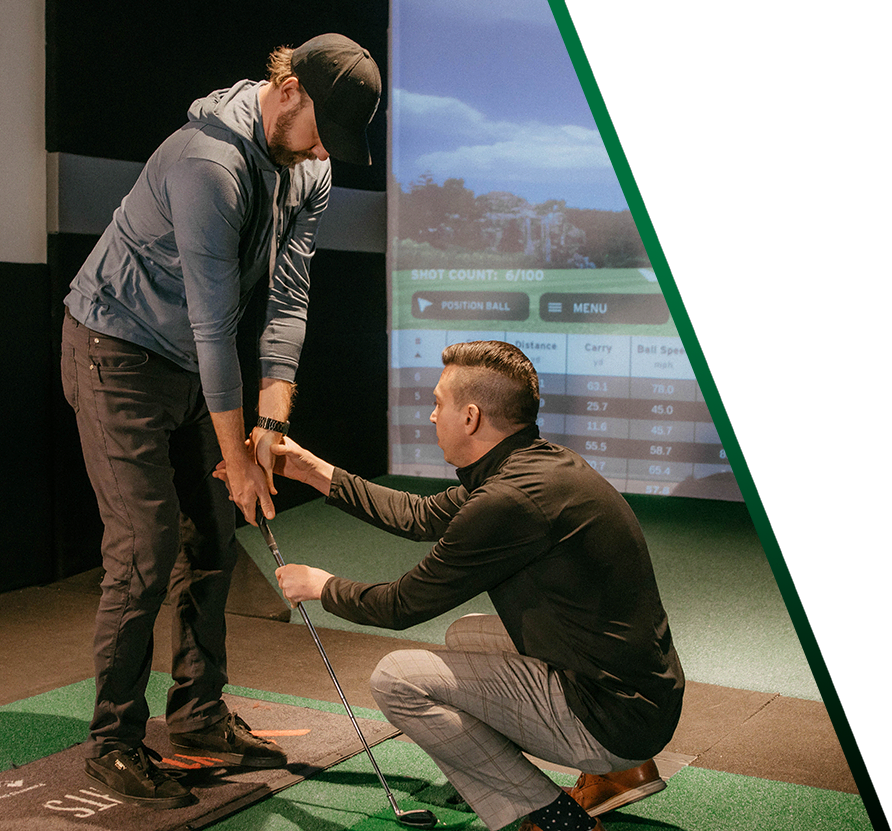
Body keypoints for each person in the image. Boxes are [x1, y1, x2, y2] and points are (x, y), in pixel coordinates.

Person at [60, 34, 381, 808]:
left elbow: (288, 300)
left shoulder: (308, 167)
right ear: (292, 88)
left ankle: (199, 717)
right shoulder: (209, 164)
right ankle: (113, 739)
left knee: (211, 536)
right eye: (322, 130)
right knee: (145, 547)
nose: (323, 153)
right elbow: (214, 325)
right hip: (117, 351)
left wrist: (268, 427)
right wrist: (237, 459)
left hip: (186, 360)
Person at [259, 340, 685, 831]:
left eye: (438, 404)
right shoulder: (534, 463)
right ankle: (622, 775)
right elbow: (419, 515)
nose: (431, 415)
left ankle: (552, 817)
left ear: (471, 417)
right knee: (467, 635)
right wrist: (310, 469)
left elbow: (402, 605)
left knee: (397, 679)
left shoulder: (509, 500)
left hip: (611, 716)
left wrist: (322, 585)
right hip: (639, 694)